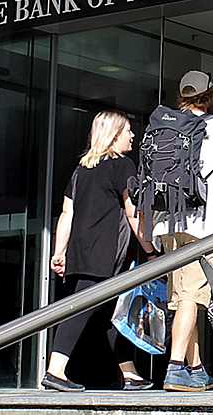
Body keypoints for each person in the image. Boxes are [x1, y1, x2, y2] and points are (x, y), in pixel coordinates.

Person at [41, 110, 158, 392]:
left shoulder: (82, 169)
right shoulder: (122, 166)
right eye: (128, 130)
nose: (133, 136)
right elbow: (133, 213)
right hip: (104, 254)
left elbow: (66, 212)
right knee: (80, 310)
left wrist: (60, 251)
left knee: (110, 314)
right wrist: (151, 251)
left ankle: (129, 373)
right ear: (114, 135)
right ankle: (55, 370)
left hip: (81, 253)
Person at [152, 70, 213, 392]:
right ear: (210, 95)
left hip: (165, 223)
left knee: (183, 296)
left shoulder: (163, 126)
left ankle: (195, 369)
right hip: (200, 226)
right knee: (193, 297)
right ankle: (175, 368)